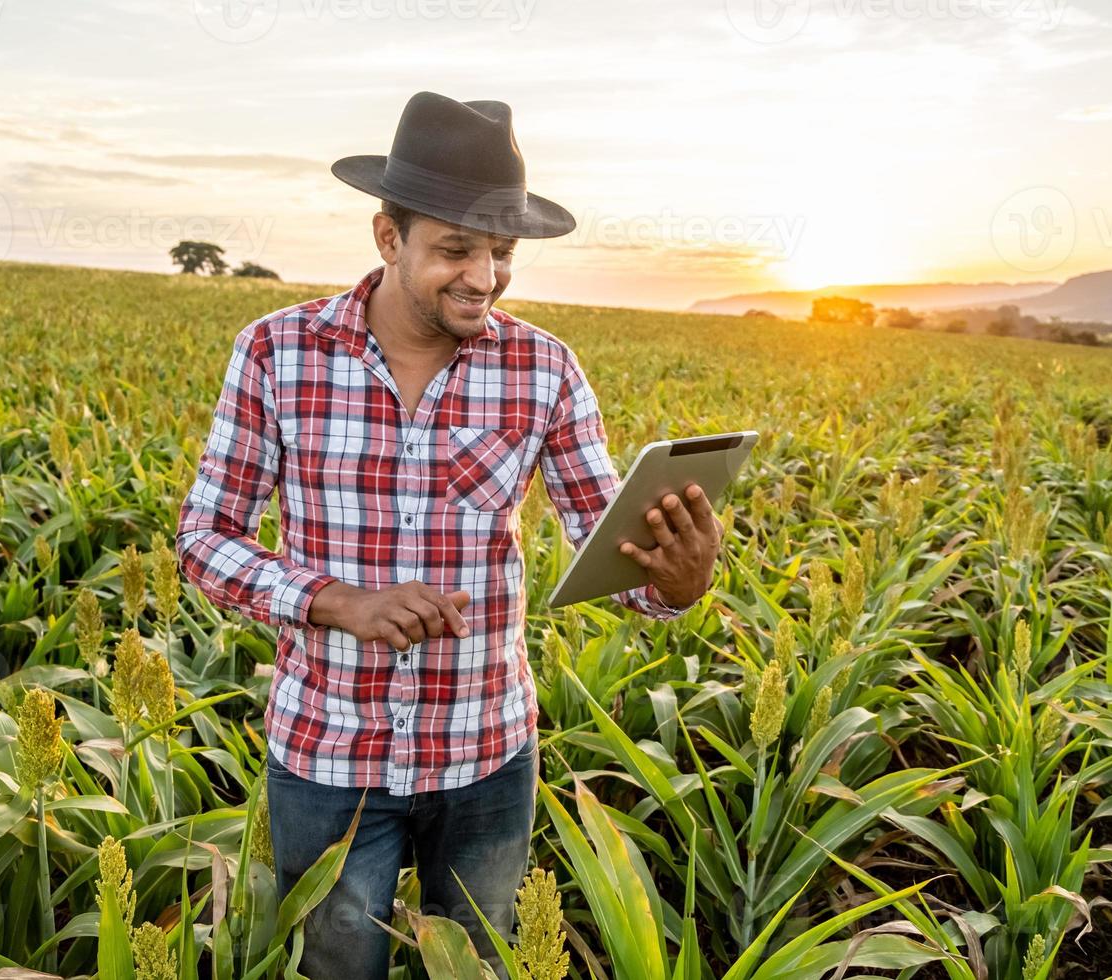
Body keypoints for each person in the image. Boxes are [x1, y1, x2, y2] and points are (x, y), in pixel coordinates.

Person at [175, 90, 723, 979]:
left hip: (485, 753)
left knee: (474, 965)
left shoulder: (543, 368)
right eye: (456, 250)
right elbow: (204, 538)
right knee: (334, 967)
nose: (485, 276)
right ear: (389, 239)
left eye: (502, 253)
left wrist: (676, 581)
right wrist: (333, 601)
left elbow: (612, 549)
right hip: (327, 749)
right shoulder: (278, 352)